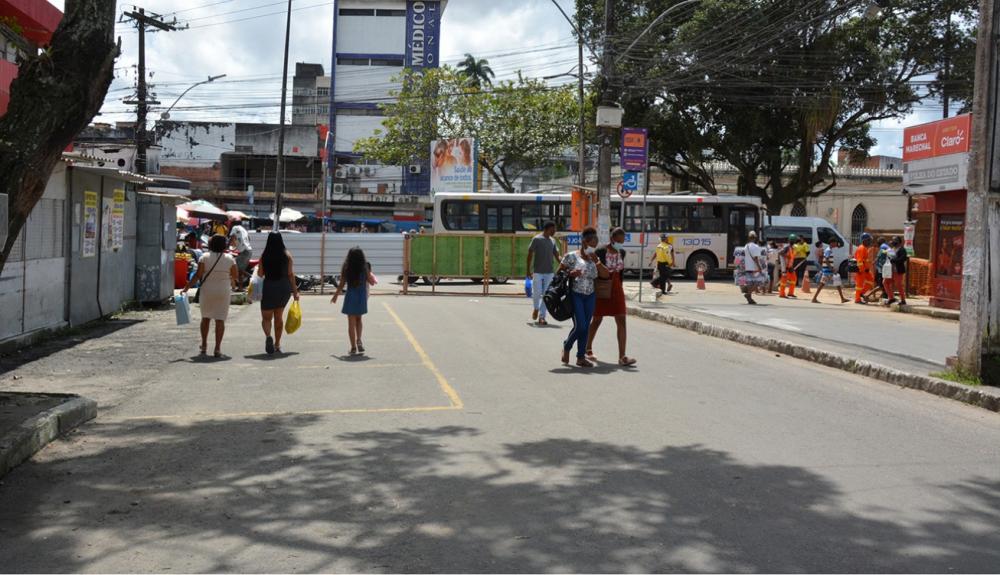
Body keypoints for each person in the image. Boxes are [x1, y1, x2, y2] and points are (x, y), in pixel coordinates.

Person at [181, 234, 238, 358]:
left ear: (210, 245)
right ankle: (217, 349)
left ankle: (204, 345)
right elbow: (235, 276)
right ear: (224, 245)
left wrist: (186, 288)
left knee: (205, 318)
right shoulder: (230, 258)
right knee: (220, 319)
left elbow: (197, 275)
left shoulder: (204, 257)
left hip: (207, 290)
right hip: (223, 291)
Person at [586, 228, 636, 366]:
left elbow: (620, 273)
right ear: (612, 239)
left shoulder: (622, 252)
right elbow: (594, 270)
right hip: (602, 288)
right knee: (597, 319)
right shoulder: (601, 251)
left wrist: (620, 287)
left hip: (617, 288)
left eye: (623, 241)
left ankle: (622, 356)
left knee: (621, 319)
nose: (621, 243)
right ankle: (587, 348)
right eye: (618, 241)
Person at [559, 227, 608, 368]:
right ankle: (567, 346)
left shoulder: (596, 258)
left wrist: (598, 262)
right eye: (592, 243)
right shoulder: (571, 256)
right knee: (580, 326)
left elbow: (605, 275)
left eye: (596, 244)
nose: (594, 246)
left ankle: (580, 357)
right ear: (584, 242)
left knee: (586, 327)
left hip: (590, 295)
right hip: (575, 294)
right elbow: (559, 271)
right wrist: (570, 272)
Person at [256, 232, 300, 354]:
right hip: (283, 288)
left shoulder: (264, 256)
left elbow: (260, 274)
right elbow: (291, 275)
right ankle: (277, 344)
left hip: (269, 287)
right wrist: (295, 292)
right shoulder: (287, 256)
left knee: (266, 318)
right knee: (279, 317)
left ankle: (268, 336)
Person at [331, 247, 375, 355]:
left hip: (350, 296)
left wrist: (335, 295)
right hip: (361, 296)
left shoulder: (346, 267)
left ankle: (353, 347)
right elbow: (371, 281)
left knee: (351, 323)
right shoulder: (364, 267)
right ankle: (359, 340)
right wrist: (369, 273)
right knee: (359, 320)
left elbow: (341, 284)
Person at [526, 220, 561, 325]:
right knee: (536, 293)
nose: (554, 231)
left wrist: (564, 262)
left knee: (546, 295)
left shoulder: (553, 241)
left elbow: (557, 255)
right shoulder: (536, 239)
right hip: (537, 271)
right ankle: (536, 308)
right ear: (547, 229)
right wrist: (528, 270)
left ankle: (542, 316)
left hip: (549, 272)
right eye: (553, 229)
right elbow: (530, 254)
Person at [811, 238, 850, 304]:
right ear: (832, 243)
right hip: (827, 271)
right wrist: (832, 269)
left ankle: (842, 298)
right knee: (825, 284)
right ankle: (814, 298)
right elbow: (826, 260)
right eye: (835, 242)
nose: (836, 244)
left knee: (836, 283)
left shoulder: (829, 250)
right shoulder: (828, 250)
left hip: (828, 271)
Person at [740, 231, 766, 305]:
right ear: (755, 238)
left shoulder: (746, 246)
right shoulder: (756, 246)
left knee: (750, 283)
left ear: (749, 237)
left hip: (747, 266)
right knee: (758, 281)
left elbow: (743, 256)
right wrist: (759, 267)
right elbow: (756, 258)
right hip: (754, 267)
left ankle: (749, 298)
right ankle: (748, 294)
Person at [228, 219, 253, 290]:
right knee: (240, 270)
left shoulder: (234, 228)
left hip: (244, 251)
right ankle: (240, 287)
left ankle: (252, 277)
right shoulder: (243, 229)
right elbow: (249, 238)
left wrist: (226, 246)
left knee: (237, 269)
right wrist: (239, 246)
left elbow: (232, 238)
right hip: (248, 250)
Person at [648, 233, 674, 298]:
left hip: (659, 263)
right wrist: (670, 263)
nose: (668, 239)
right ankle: (654, 282)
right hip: (665, 263)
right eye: (667, 238)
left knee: (663, 277)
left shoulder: (658, 246)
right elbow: (667, 256)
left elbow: (656, 254)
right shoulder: (666, 247)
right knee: (665, 276)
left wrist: (652, 260)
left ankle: (663, 290)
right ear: (665, 239)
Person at [853, 233, 875, 304]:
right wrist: (861, 270)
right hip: (861, 270)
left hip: (865, 270)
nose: (870, 242)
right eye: (868, 240)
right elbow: (859, 261)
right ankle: (857, 299)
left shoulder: (864, 248)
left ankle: (861, 293)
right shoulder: (861, 248)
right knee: (859, 285)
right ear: (864, 240)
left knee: (871, 280)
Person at [891, 236, 909, 306]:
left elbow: (903, 259)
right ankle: (891, 298)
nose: (893, 241)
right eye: (893, 240)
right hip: (891, 270)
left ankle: (903, 300)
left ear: (898, 241)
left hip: (898, 270)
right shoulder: (893, 249)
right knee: (886, 282)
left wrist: (894, 260)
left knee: (899, 285)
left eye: (894, 240)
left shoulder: (902, 250)